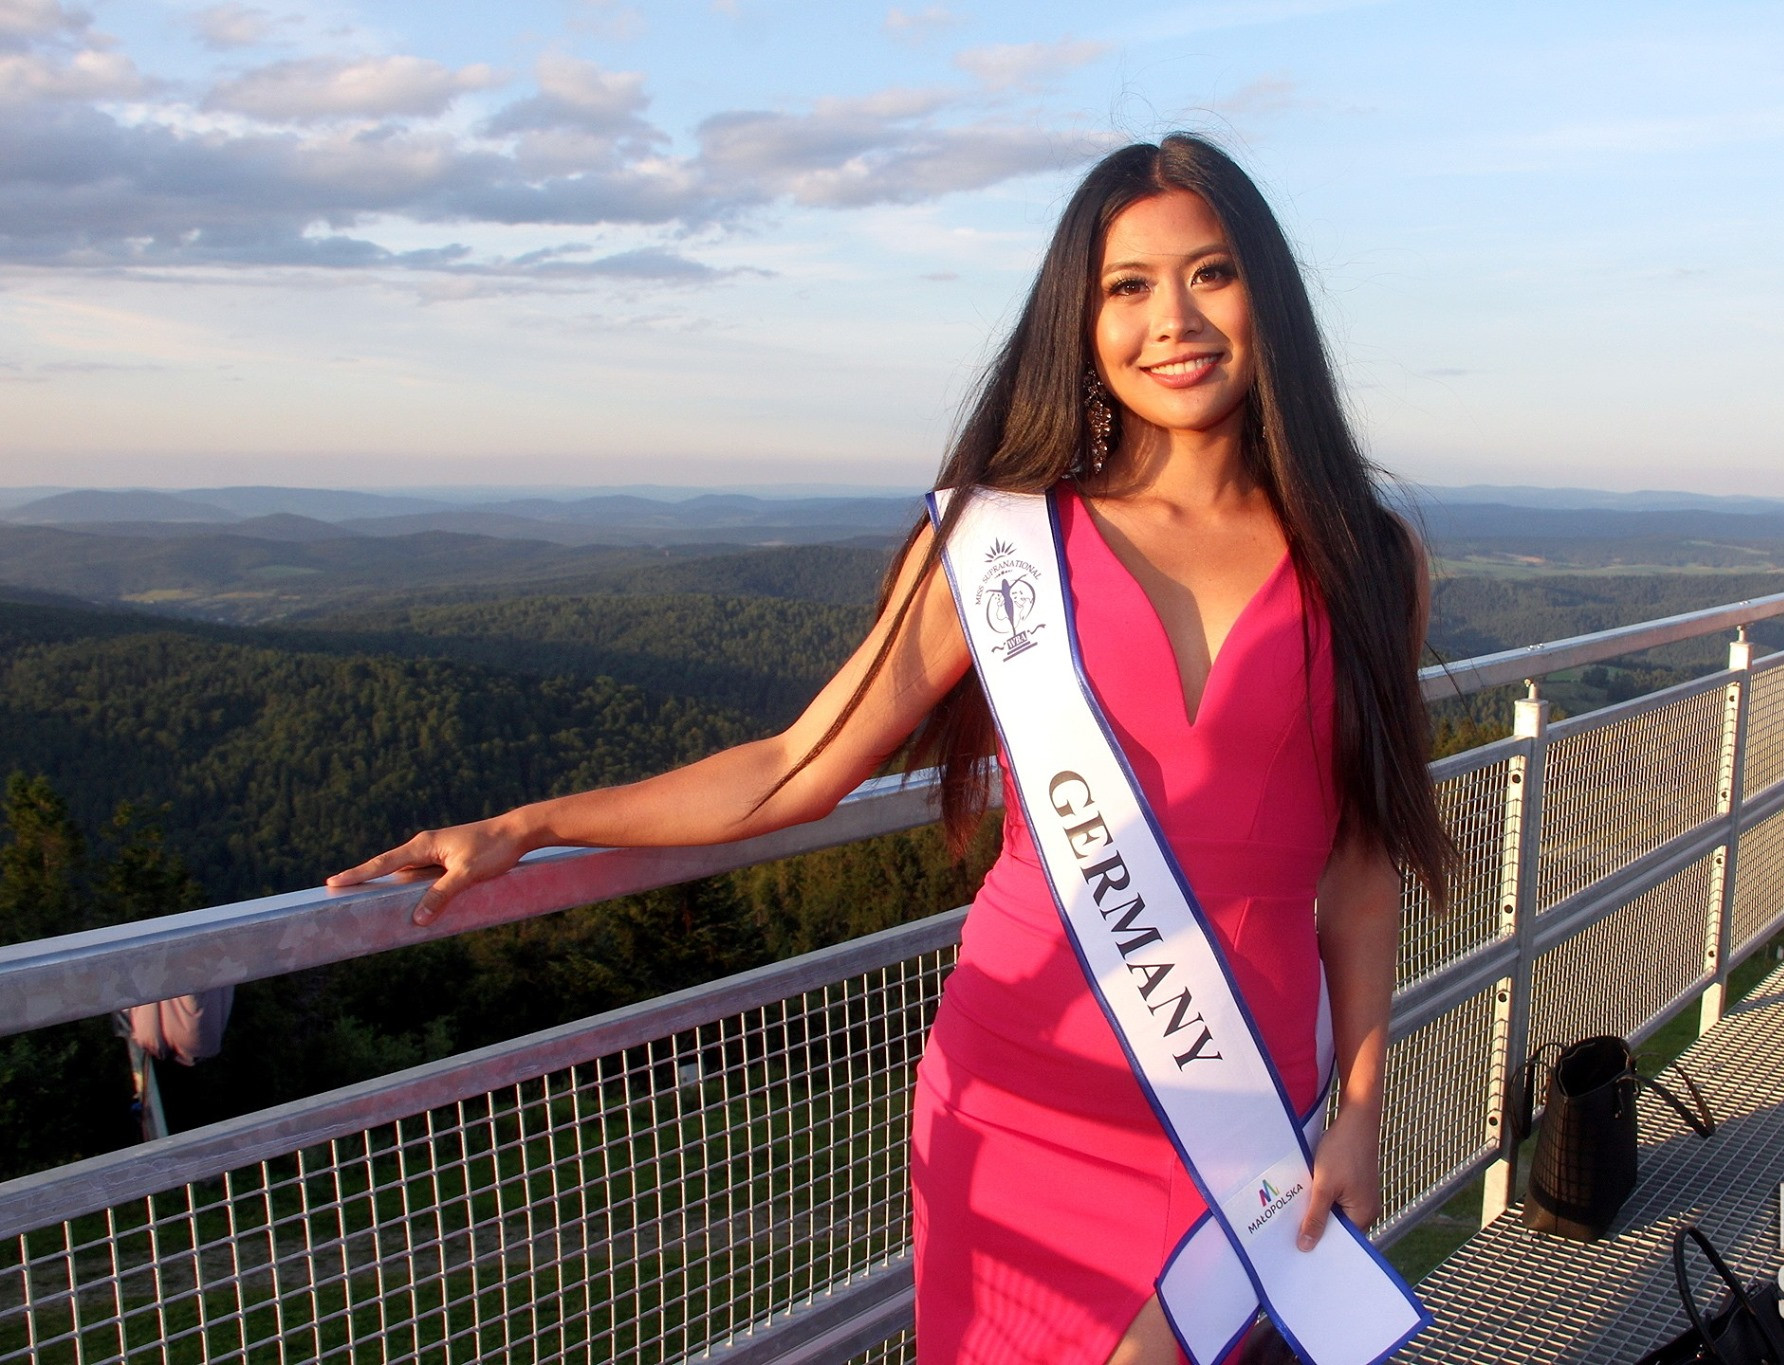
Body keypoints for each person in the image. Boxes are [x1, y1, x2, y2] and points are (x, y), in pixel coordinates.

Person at [328, 133, 1448, 1365]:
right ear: (1079, 321)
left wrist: (1359, 1108)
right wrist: (533, 824)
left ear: (1265, 295)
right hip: (1021, 1090)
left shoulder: (1366, 559)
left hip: (1232, 1110)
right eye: (1126, 287)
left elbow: (1355, 868)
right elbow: (797, 765)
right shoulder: (998, 541)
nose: (1170, 320)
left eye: (1210, 273)